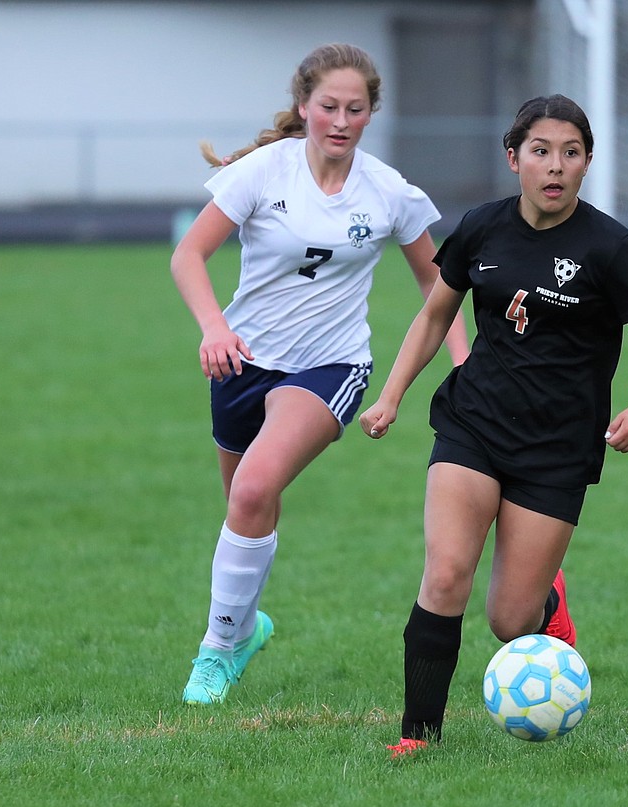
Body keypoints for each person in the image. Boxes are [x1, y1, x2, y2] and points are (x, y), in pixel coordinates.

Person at [358, 94, 628, 758]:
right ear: (514, 159)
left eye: (571, 152)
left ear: (587, 162)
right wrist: (391, 396)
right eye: (541, 151)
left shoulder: (609, 246)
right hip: (473, 425)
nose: (555, 166)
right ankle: (417, 736)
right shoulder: (481, 228)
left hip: (559, 449)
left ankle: (545, 603)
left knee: (510, 619)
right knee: (447, 572)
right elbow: (433, 316)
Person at [169, 43, 467, 705]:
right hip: (241, 365)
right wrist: (214, 327)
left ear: (370, 115)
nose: (340, 119)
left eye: (354, 109)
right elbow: (189, 256)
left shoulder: (390, 192)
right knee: (248, 507)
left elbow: (440, 286)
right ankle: (245, 629)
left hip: (331, 368)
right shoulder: (263, 173)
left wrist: (464, 364)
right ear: (304, 106)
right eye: (328, 106)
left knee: (250, 493)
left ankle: (214, 655)